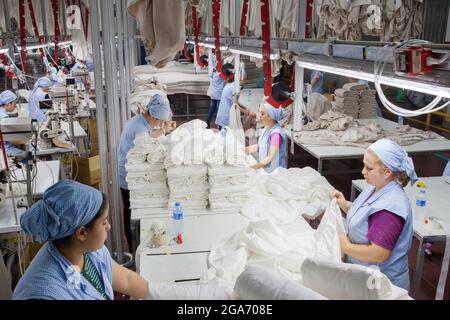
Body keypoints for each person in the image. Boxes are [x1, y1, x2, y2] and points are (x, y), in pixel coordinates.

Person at [13, 180, 149, 300]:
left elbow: (127, 280)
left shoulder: (88, 251)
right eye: (103, 222)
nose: (108, 226)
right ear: (82, 232)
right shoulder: (44, 294)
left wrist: (165, 293)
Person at [330, 138, 417, 290]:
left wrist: (345, 246)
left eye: (369, 168)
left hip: (382, 285)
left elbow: (379, 254)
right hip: (365, 276)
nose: (363, 171)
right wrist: (345, 204)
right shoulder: (377, 186)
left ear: (388, 172)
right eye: (364, 165)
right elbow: (366, 213)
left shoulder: (390, 209)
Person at [118, 94, 176, 252]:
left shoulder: (139, 120)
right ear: (153, 116)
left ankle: (134, 243)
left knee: (131, 209)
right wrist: (164, 132)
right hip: (129, 177)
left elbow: (149, 135)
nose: (160, 124)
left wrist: (164, 129)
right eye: (160, 121)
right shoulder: (138, 128)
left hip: (129, 173)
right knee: (131, 212)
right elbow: (145, 142)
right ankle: (133, 246)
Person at [244, 102, 287, 173]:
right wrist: (243, 150)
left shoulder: (276, 134)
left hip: (275, 173)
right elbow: (259, 147)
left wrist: (253, 167)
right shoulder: (267, 128)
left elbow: (270, 157)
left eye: (262, 113)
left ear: (270, 117)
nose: (259, 116)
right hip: (266, 170)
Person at [215, 63, 255, 130]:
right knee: (227, 138)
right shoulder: (234, 87)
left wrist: (246, 108)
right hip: (226, 117)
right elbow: (235, 105)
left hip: (224, 115)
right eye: (244, 80)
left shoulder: (231, 85)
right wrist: (248, 113)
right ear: (240, 78)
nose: (245, 82)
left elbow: (235, 102)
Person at [0, 90, 27, 158]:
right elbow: (12, 140)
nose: (15, 106)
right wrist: (28, 140)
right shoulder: (4, 118)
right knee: (27, 154)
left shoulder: (2, 113)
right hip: (5, 149)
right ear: (8, 103)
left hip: (3, 145)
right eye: (15, 104)